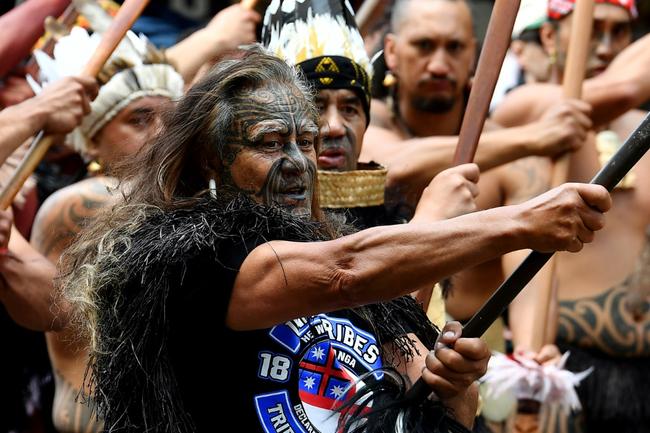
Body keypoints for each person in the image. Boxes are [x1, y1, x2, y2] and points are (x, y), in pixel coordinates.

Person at [57, 46, 612, 433]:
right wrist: (518, 223)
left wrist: (453, 389)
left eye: (304, 140)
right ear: (210, 158)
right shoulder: (187, 256)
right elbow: (342, 271)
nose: (299, 162)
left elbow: (422, 405)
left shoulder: (344, 258)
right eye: (271, 142)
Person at [492, 0, 650, 431]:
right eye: (593, 28)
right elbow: (622, 89)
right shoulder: (530, 108)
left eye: (619, 32)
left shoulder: (642, 123)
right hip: (566, 366)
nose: (603, 45)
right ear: (548, 36)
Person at [20, 22, 183, 433]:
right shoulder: (78, 204)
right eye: (139, 119)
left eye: (172, 120)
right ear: (91, 141)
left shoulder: (187, 195)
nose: (161, 134)